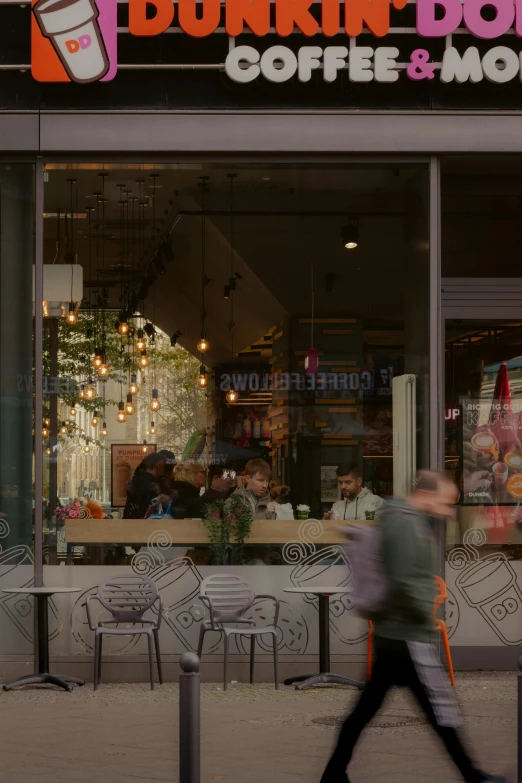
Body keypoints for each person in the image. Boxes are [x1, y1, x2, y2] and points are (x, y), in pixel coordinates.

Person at [319, 470, 506, 783]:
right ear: (428, 495)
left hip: (392, 634)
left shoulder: (394, 516)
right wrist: (425, 615)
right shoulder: (407, 523)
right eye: (446, 503)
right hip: (407, 635)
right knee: (441, 710)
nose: (447, 511)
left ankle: (333, 774)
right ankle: (474, 777)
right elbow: (404, 579)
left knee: (367, 711)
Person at [123, 453, 165, 519]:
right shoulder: (152, 485)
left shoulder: (137, 479)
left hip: (132, 522)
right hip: (146, 523)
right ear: (158, 466)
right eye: (163, 466)